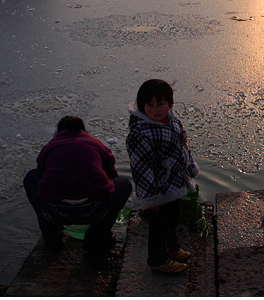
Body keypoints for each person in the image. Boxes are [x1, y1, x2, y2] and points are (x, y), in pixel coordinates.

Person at [24, 116, 132, 251]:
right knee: (124, 184)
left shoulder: (50, 146)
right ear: (83, 130)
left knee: (31, 177)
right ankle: (98, 234)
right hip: (93, 210)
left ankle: (51, 236)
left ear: (59, 132)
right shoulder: (97, 144)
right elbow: (112, 176)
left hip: (56, 211)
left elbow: (42, 172)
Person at [125, 79, 199, 274]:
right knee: (158, 224)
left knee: (173, 218)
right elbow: (141, 167)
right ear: (142, 106)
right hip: (157, 188)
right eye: (151, 105)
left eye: (161, 104)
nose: (157, 110)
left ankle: (172, 248)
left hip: (173, 183)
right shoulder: (141, 132)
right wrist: (151, 197)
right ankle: (158, 260)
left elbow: (183, 145)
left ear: (170, 104)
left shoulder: (172, 121)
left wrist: (190, 168)